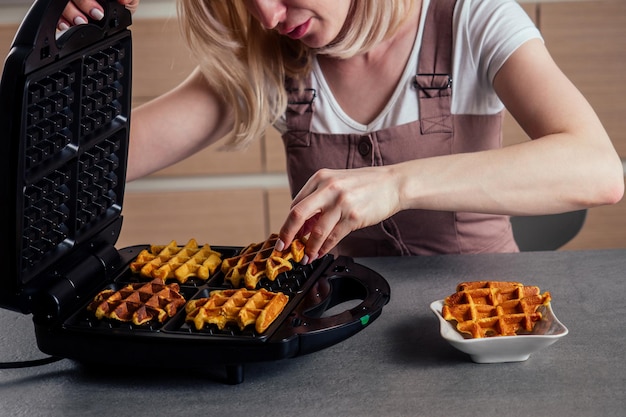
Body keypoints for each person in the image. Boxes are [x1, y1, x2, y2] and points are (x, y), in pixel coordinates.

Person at [61, 0, 624, 263]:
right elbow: (82, 161)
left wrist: (396, 184)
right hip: (341, 331)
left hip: (478, 324)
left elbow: (598, 171)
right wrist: (65, 37)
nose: (266, 16)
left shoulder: (472, 19)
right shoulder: (269, 58)